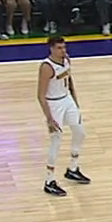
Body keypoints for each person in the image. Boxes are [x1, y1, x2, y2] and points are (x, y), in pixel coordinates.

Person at [38, 36, 91, 197]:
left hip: (67, 99)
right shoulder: (47, 67)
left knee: (80, 132)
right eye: (59, 48)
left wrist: (75, 100)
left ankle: (73, 169)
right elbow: (40, 95)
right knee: (56, 141)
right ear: (51, 49)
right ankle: (49, 181)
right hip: (53, 104)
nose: (63, 50)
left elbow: (69, 79)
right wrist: (49, 118)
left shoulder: (66, 60)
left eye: (64, 47)